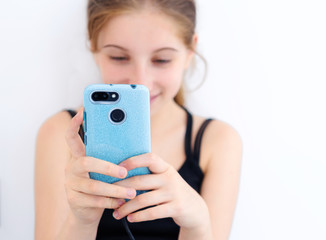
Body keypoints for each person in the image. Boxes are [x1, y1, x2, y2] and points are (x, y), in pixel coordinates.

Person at [34, 0, 242, 239]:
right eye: (119, 57)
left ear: (189, 52)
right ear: (93, 47)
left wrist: (197, 225)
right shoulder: (59, 132)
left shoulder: (217, 140)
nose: (141, 80)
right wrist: (81, 221)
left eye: (161, 60)